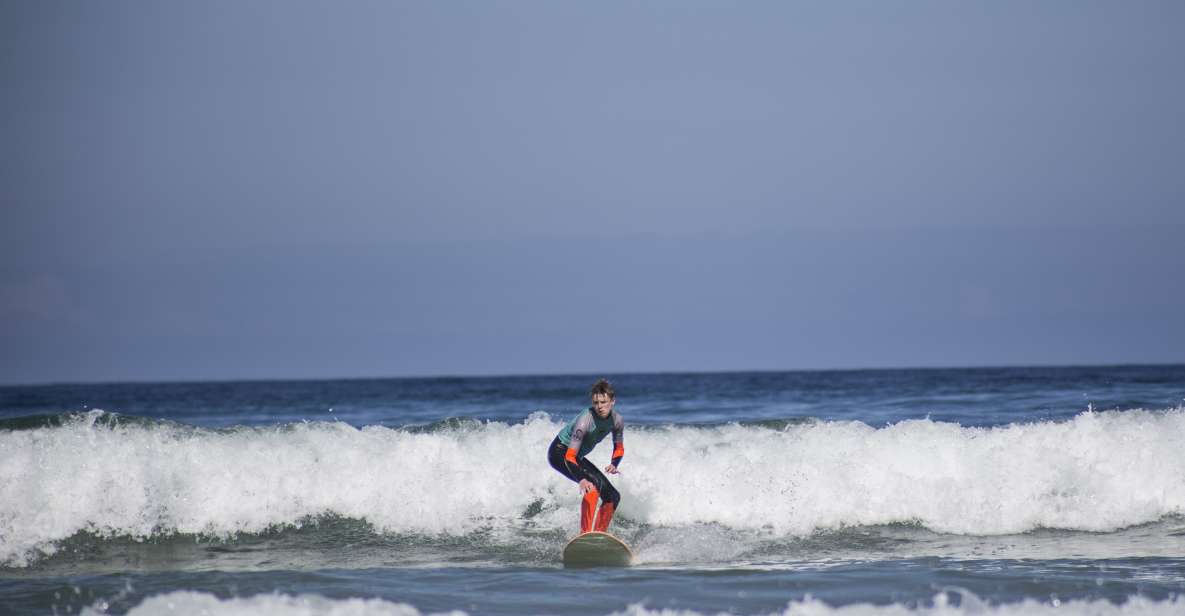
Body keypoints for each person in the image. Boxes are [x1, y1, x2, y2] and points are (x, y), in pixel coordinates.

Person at [547, 378, 625, 534]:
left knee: (613, 496)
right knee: (592, 488)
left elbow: (619, 447)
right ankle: (585, 534)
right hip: (559, 452)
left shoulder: (617, 421)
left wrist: (614, 463)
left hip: (576, 457)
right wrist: (581, 479)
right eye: (596, 403)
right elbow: (569, 456)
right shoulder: (585, 421)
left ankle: (599, 534)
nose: (599, 406)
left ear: (612, 401)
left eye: (603, 402)